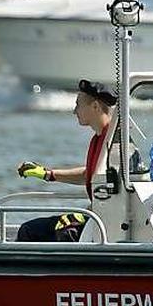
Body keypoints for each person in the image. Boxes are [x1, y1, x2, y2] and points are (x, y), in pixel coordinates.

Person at [15, 79, 116, 242]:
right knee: (29, 229)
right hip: (94, 216)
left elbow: (113, 192)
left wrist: (84, 215)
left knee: (50, 232)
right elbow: (89, 175)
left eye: (78, 105)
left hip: (104, 221)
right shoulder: (98, 138)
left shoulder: (114, 142)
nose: (74, 111)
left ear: (95, 106)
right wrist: (49, 174)